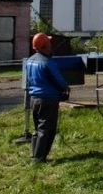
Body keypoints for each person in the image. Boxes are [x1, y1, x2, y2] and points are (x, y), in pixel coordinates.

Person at [25, 33, 70, 163]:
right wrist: (66, 88)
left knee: (37, 128)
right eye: (49, 43)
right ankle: (39, 158)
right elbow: (58, 81)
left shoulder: (30, 61)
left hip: (34, 99)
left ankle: (34, 155)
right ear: (44, 46)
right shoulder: (47, 62)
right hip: (48, 99)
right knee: (46, 129)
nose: (51, 45)